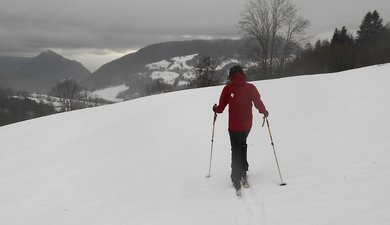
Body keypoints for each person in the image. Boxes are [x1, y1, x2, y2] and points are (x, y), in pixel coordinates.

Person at [213, 65, 268, 191]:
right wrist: (264, 112)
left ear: (231, 75)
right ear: (242, 74)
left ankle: (236, 176)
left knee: (235, 149)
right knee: (243, 144)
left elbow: (220, 109)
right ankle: (243, 169)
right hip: (247, 125)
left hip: (234, 127)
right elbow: (258, 102)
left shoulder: (227, 89)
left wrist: (214, 108)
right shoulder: (250, 87)